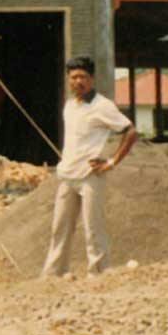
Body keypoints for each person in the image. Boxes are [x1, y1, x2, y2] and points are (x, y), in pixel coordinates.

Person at [41, 55, 137, 277]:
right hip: (67, 175)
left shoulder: (102, 106)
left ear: (92, 79)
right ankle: (53, 274)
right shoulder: (69, 106)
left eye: (83, 77)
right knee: (59, 228)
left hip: (90, 175)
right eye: (73, 77)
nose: (78, 82)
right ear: (68, 79)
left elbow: (130, 131)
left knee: (93, 229)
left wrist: (111, 161)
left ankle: (99, 274)